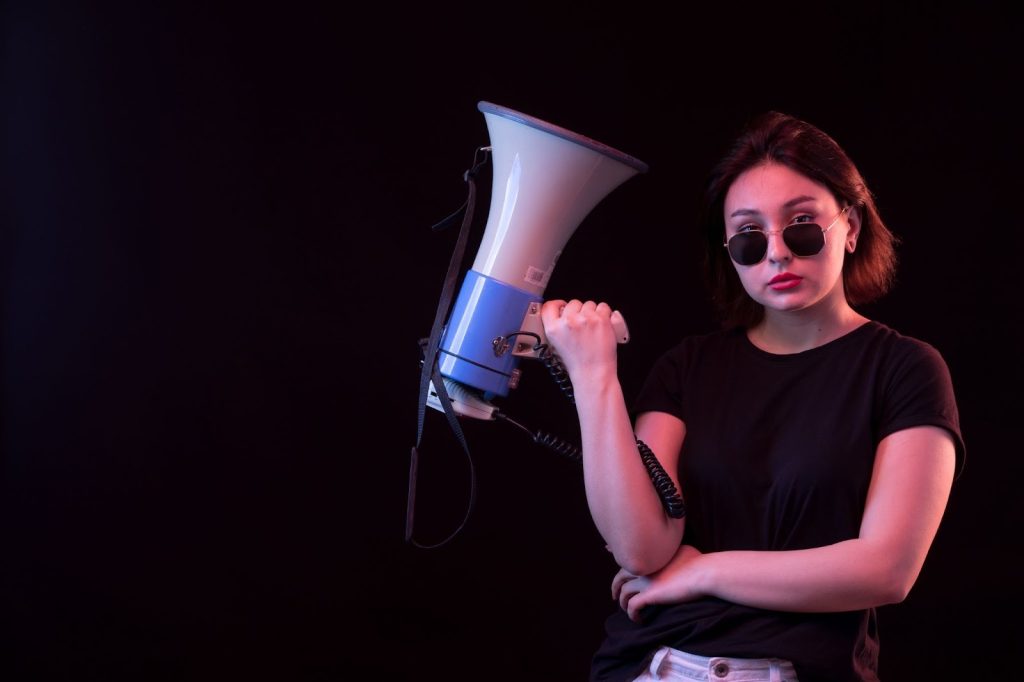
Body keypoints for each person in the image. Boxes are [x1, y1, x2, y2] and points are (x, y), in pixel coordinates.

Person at [538, 111, 965, 682]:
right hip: (648, 666)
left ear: (853, 225)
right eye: (749, 237)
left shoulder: (905, 370)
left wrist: (704, 572)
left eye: (803, 225)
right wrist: (595, 380)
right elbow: (641, 549)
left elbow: (887, 568)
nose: (778, 253)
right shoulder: (686, 369)